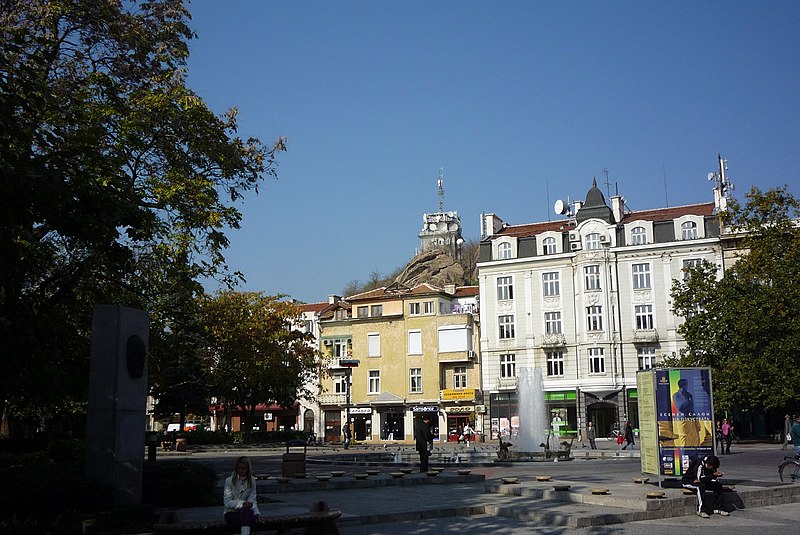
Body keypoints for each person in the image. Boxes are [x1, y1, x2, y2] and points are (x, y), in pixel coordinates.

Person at [681, 454, 729, 518]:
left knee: (718, 486)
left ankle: (718, 508)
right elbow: (700, 479)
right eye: (712, 468)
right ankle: (701, 510)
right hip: (689, 481)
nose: (713, 469)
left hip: (701, 481)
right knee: (700, 487)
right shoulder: (699, 464)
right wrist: (712, 475)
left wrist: (715, 476)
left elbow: (711, 479)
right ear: (709, 465)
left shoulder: (712, 466)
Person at [223, 456, 262, 534]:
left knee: (247, 514)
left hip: (246, 511)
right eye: (239, 468)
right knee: (240, 521)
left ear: (248, 469)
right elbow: (227, 502)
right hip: (231, 512)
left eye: (243, 468)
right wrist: (242, 504)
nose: (240, 471)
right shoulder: (229, 481)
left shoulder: (252, 481)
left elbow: (252, 500)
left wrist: (257, 513)